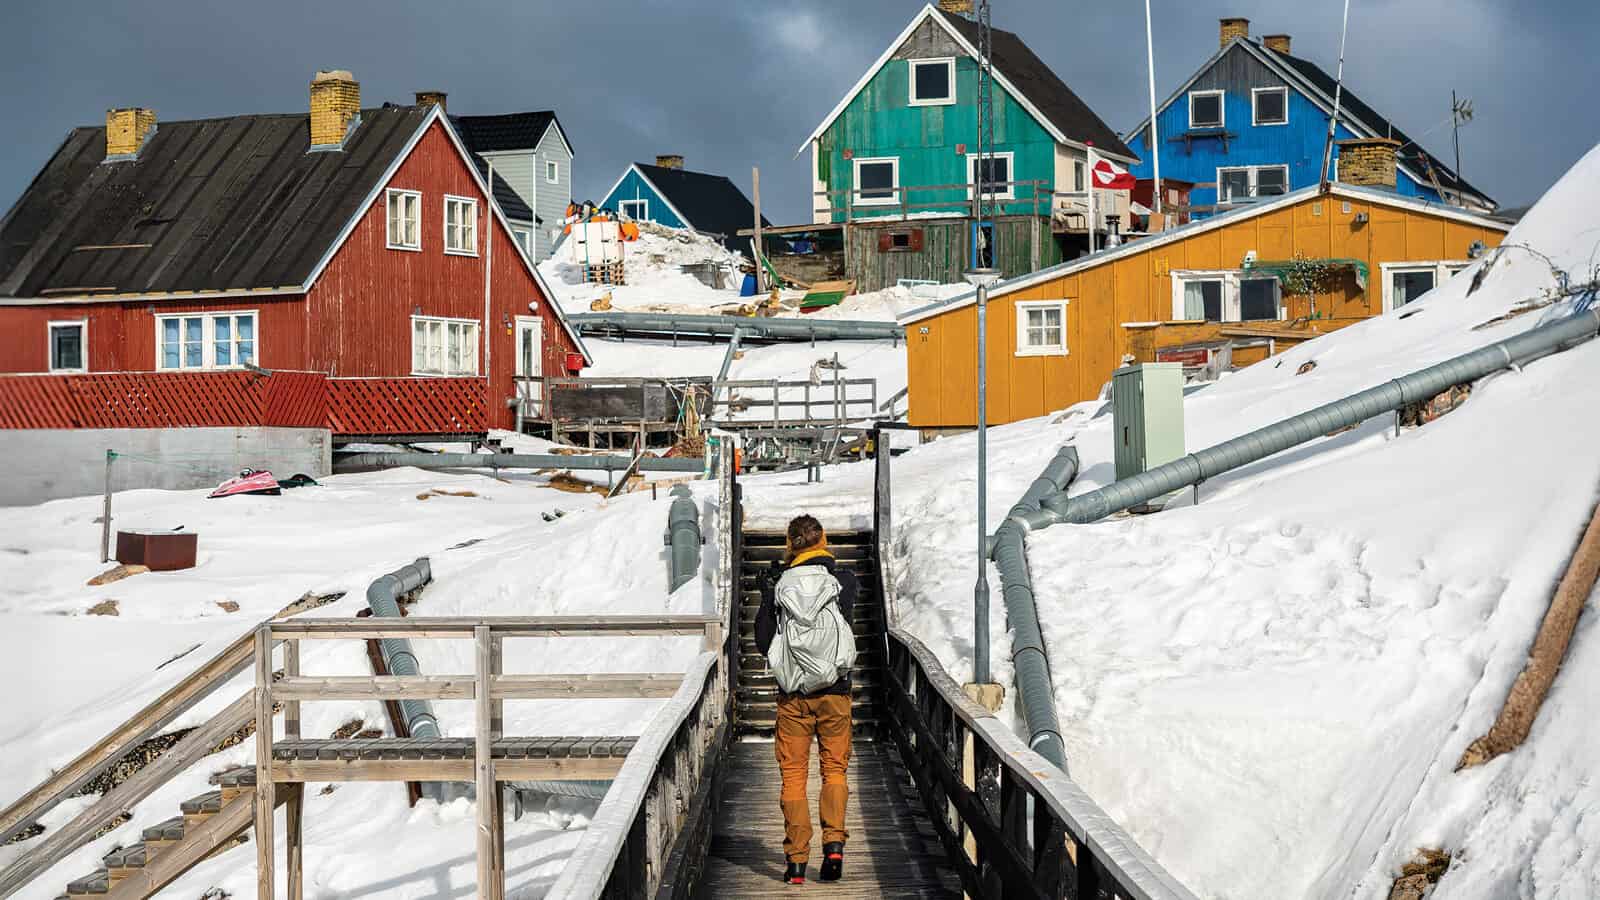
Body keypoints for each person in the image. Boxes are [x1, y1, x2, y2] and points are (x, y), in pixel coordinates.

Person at [755, 514, 857, 885]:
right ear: (823, 539)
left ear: (789, 544)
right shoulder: (843, 582)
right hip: (835, 692)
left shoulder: (780, 587)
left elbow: (763, 640)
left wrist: (768, 596)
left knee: (794, 776)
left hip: (794, 696)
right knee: (835, 769)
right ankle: (834, 846)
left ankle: (796, 863)